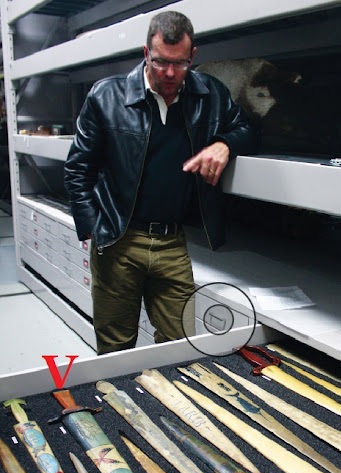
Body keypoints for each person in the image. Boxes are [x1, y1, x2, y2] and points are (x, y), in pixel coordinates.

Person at [64, 10, 258, 354]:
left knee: (180, 348)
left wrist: (224, 144)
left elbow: (249, 129)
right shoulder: (106, 96)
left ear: (192, 56)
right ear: (146, 53)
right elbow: (78, 169)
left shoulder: (210, 94)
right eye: (161, 62)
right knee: (115, 350)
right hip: (119, 242)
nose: (170, 73)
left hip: (172, 244)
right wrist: (93, 228)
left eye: (180, 63)